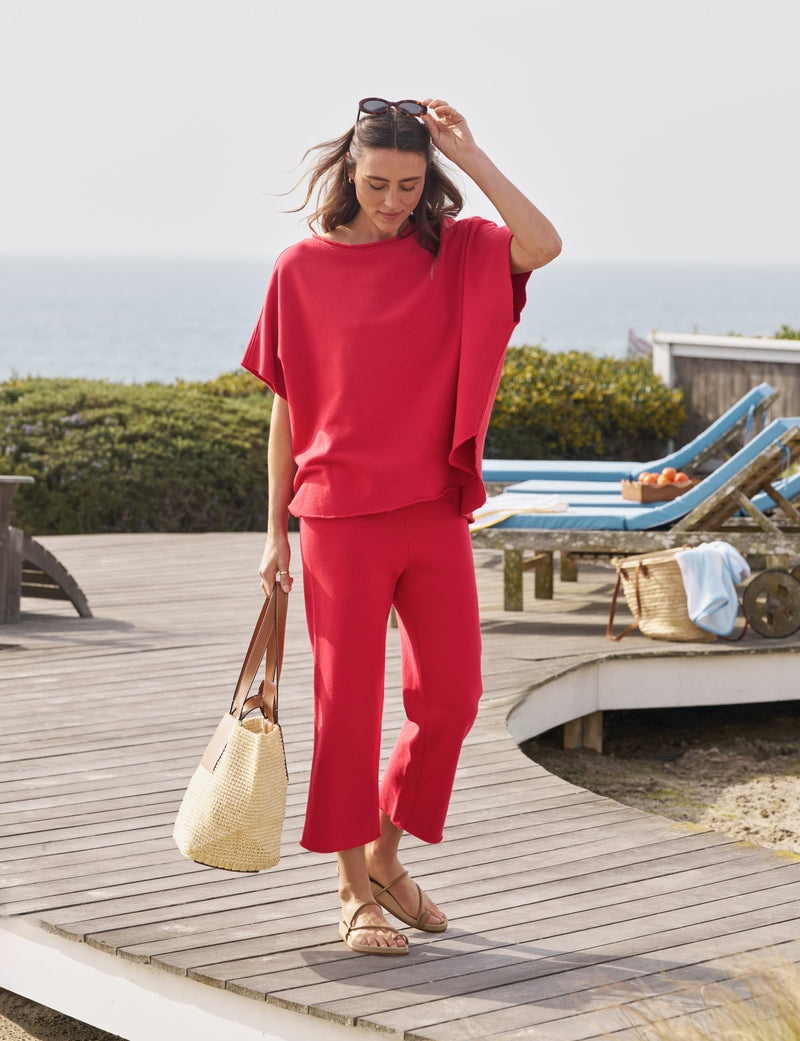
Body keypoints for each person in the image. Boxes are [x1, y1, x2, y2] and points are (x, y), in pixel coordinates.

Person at [242, 98, 561, 955]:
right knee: (348, 708)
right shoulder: (299, 268)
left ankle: (385, 854)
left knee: (451, 700)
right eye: (378, 182)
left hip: (433, 508)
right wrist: (274, 534)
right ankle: (353, 892)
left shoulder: (454, 251)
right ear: (350, 168)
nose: (392, 200)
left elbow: (542, 245)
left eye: (411, 184)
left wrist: (476, 154)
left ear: (430, 182)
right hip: (338, 516)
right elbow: (286, 409)